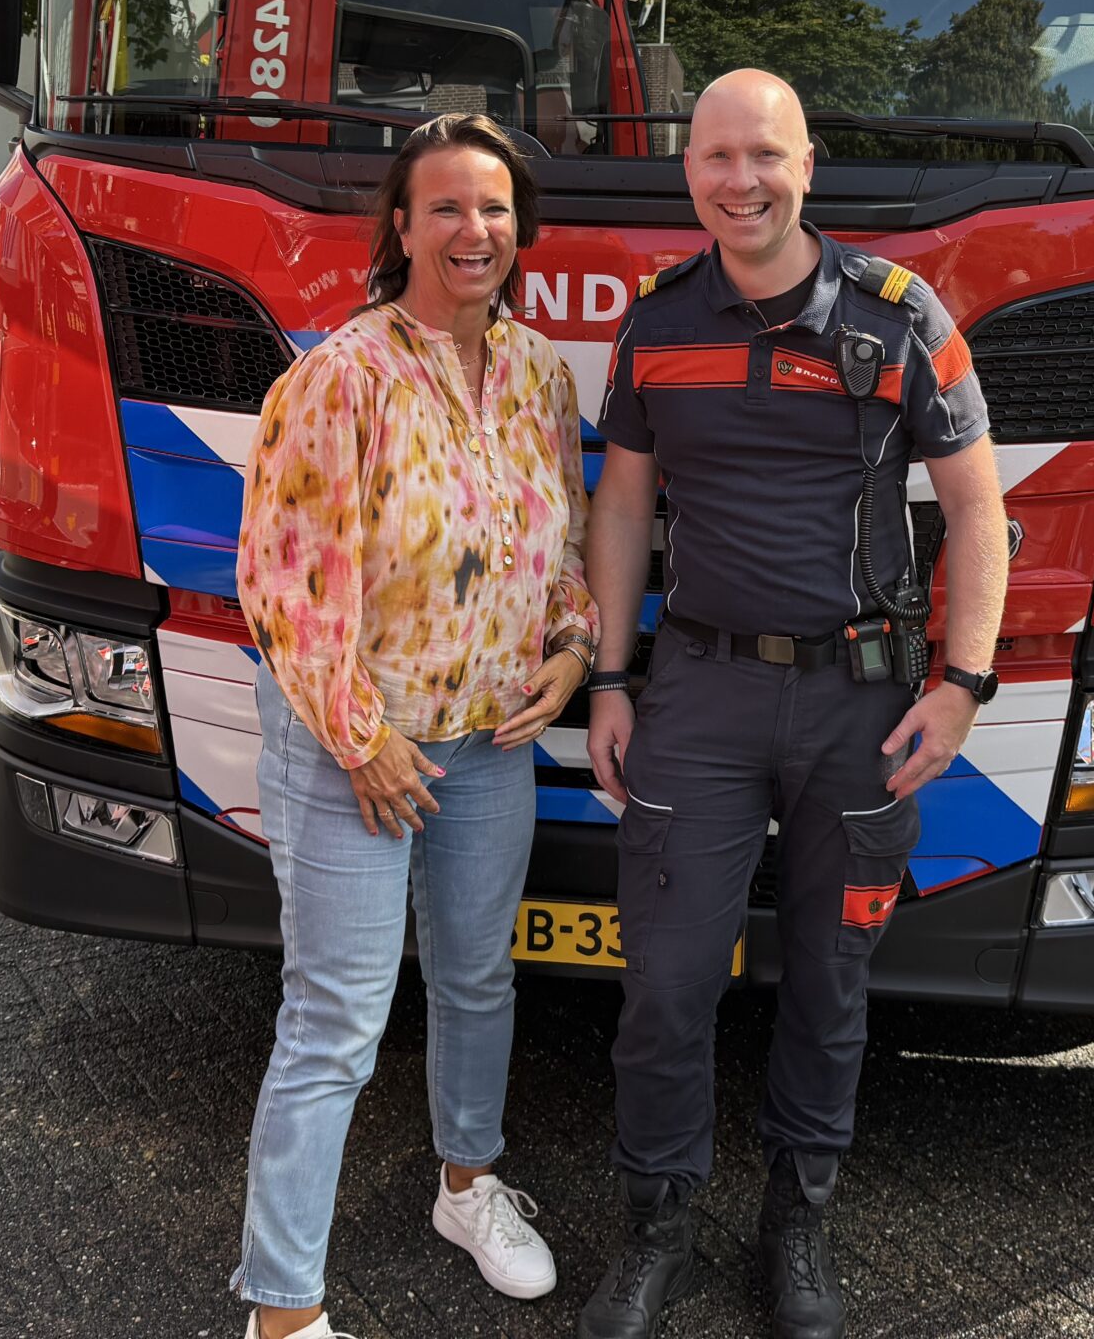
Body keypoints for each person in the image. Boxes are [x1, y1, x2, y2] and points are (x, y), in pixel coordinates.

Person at [576, 69, 1010, 1339]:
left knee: (830, 979)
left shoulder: (899, 317)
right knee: (661, 981)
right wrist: (611, 675)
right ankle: (658, 1220)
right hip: (697, 692)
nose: (739, 181)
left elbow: (978, 510)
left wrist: (963, 686)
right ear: (689, 172)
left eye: (763, 155)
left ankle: (797, 1218)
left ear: (807, 164)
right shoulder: (654, 321)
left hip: (862, 704)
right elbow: (621, 505)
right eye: (715, 157)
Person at [232, 112, 595, 1339]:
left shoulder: (544, 373)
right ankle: (282, 1311)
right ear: (400, 226)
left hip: (491, 740)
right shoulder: (345, 373)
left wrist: (572, 645)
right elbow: (283, 576)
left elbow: (563, 542)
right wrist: (358, 735)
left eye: (492, 209)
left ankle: (468, 1188)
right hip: (359, 750)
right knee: (335, 1018)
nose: (472, 230)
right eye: (445, 207)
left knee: (477, 978)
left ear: (519, 230)